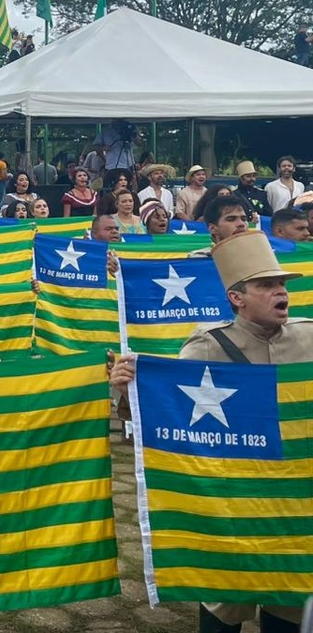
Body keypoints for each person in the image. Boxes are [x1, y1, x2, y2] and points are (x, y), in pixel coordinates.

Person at [110, 230, 310, 633]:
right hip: (229, 502)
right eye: (266, 285)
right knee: (224, 602)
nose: (279, 292)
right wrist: (129, 390)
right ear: (236, 297)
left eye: (282, 284)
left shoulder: (310, 336)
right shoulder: (207, 346)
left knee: (289, 603)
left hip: (294, 502)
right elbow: (163, 419)